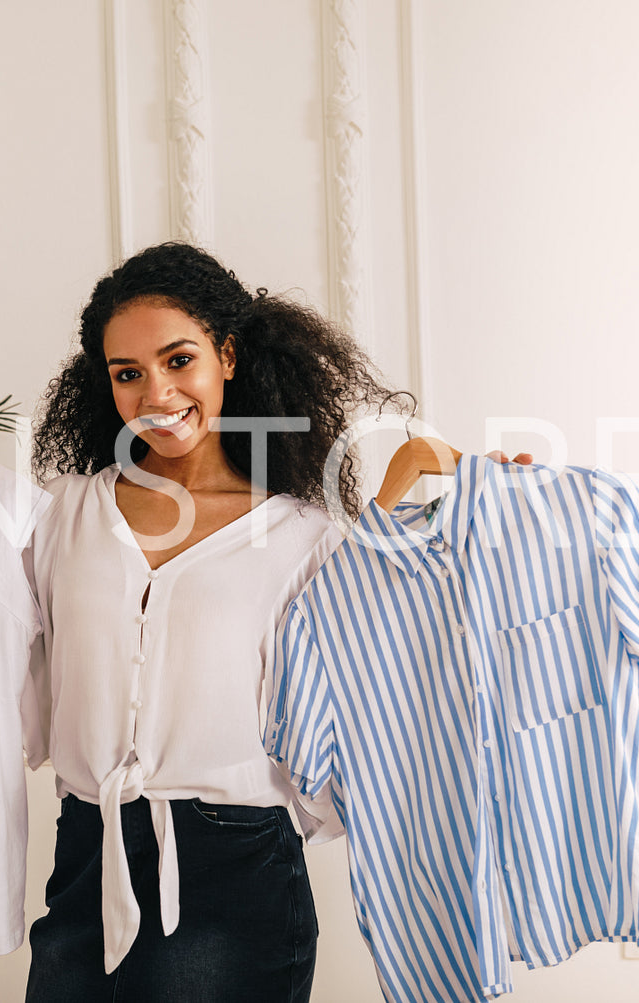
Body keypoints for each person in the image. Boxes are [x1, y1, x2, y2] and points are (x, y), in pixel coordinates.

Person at [22, 242, 395, 1002]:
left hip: (232, 868)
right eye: (127, 373)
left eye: (177, 360)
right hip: (86, 857)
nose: (155, 393)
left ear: (226, 354)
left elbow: (396, 660)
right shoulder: (66, 512)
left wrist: (500, 503)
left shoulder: (304, 536)